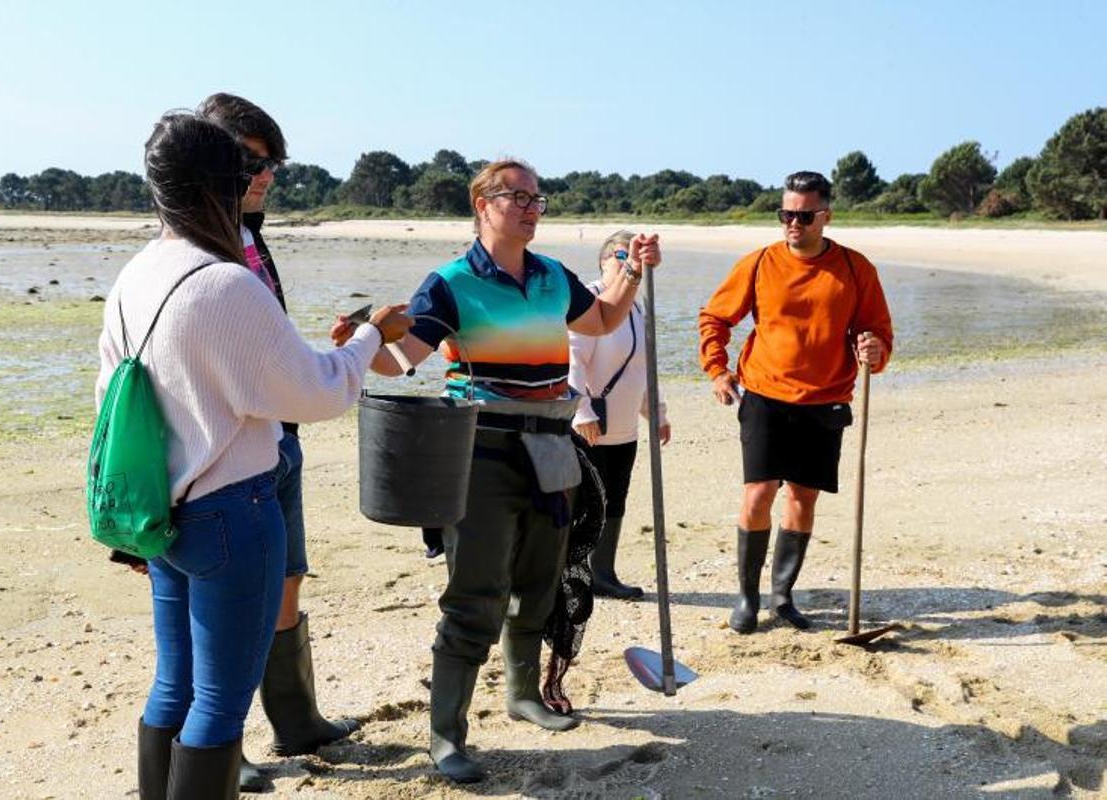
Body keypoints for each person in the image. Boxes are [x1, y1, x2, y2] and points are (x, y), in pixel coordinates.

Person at [99, 111, 410, 800]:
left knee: (173, 683)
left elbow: (110, 393)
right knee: (217, 704)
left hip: (162, 511)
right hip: (232, 510)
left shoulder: (137, 272)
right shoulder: (228, 283)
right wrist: (367, 336)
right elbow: (316, 393)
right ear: (223, 183)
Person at [334, 159, 661, 783]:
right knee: (474, 598)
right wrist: (356, 345)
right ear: (482, 205)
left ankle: (523, 695)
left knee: (539, 582)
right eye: (518, 197)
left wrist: (633, 269)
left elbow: (603, 318)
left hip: (553, 447)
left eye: (538, 198)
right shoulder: (450, 282)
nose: (532, 208)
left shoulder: (552, 277)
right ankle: (445, 738)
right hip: (479, 455)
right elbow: (401, 361)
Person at [197, 92, 360, 793]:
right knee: (231, 604)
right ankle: (220, 746)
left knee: (288, 579)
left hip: (280, 442)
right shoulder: (202, 243)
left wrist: (307, 354)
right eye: (254, 162)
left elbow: (260, 339)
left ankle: (297, 721)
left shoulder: (251, 235)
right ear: (212, 158)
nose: (266, 177)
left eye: (274, 165)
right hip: (231, 456)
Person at [697, 171, 893, 635]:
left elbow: (878, 333)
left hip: (825, 401)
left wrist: (875, 352)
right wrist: (717, 369)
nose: (793, 224)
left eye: (804, 216)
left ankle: (782, 597)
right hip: (765, 394)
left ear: (825, 216)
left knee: (802, 499)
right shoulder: (759, 263)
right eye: (786, 214)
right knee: (759, 494)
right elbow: (715, 317)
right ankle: (747, 597)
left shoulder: (854, 268)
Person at [568, 230, 672, 599]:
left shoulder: (638, 308)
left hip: (624, 427)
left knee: (616, 497)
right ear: (602, 260)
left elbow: (642, 369)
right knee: (584, 501)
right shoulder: (589, 301)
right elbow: (573, 362)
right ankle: (570, 574)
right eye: (621, 255)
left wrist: (656, 413)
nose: (629, 262)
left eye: (635, 256)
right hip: (589, 427)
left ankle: (603, 573)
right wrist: (581, 412)